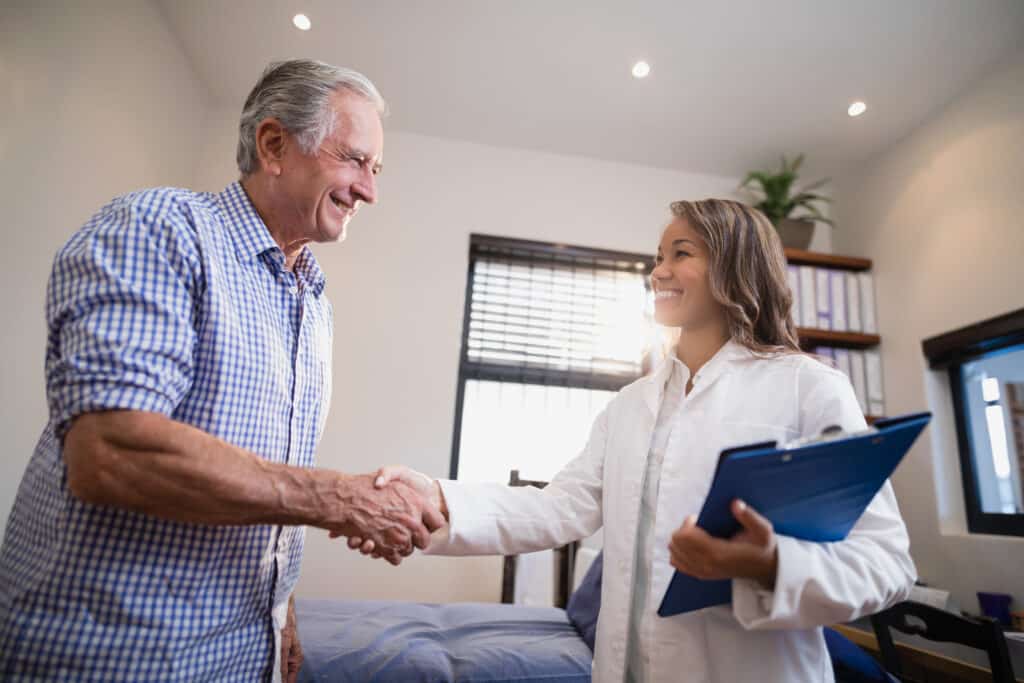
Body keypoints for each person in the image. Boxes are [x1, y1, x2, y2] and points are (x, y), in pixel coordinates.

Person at [0, 59, 443, 682]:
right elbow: (109, 453)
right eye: (352, 159)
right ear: (273, 145)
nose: (369, 190)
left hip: (241, 657)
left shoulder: (313, 300)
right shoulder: (161, 227)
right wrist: (339, 500)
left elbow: (263, 472)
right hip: (111, 658)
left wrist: (280, 607)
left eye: (375, 169)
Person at [352, 199, 916, 682]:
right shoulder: (630, 405)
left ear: (735, 265)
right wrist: (434, 497)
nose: (657, 272)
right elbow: (558, 507)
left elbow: (886, 563)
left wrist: (770, 564)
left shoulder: (808, 388)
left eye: (681, 253)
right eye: (657, 257)